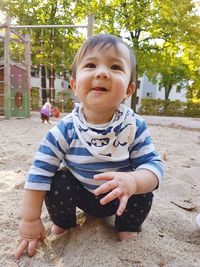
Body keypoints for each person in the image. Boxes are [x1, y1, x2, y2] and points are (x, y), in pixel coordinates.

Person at [15, 33, 164, 260]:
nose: (102, 72)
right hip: (81, 195)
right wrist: (30, 220)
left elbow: (154, 166)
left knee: (143, 188)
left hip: (121, 198)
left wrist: (134, 181)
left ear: (129, 90)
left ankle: (127, 227)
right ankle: (65, 223)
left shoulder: (134, 126)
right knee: (58, 180)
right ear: (74, 85)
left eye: (115, 67)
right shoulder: (65, 130)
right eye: (91, 65)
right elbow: (38, 174)